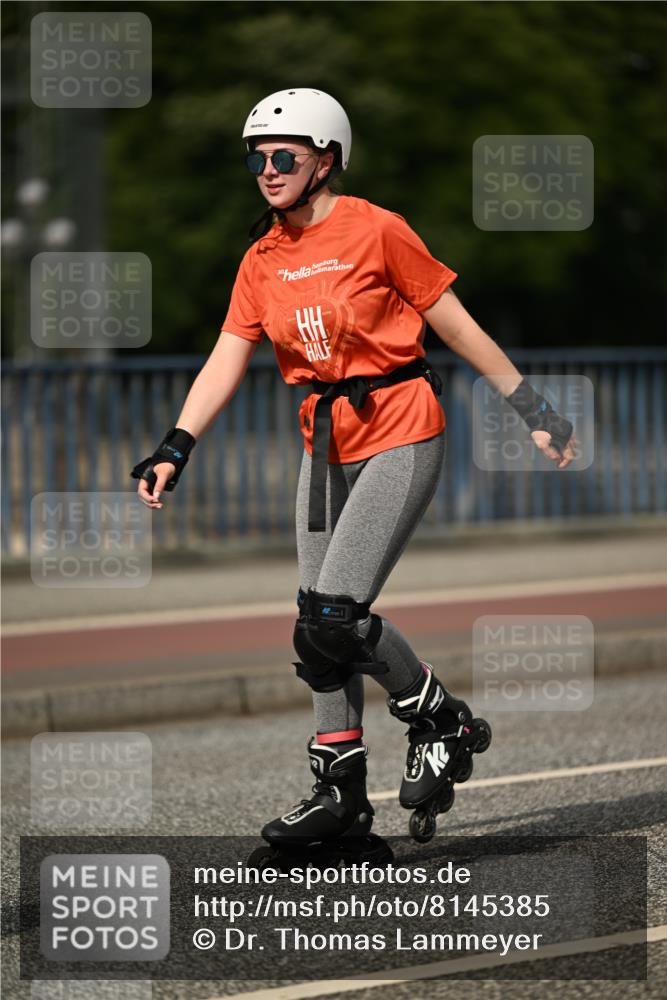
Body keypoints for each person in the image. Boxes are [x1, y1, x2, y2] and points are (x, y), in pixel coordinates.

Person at [132, 88, 576, 847]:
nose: (267, 171)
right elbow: (225, 359)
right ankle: (340, 796)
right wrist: (176, 445)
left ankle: (439, 720)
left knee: (334, 615)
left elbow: (456, 326)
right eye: (256, 159)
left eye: (284, 156)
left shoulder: (376, 229)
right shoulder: (261, 259)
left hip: (401, 431)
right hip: (325, 444)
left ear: (326, 159)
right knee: (315, 628)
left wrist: (533, 409)